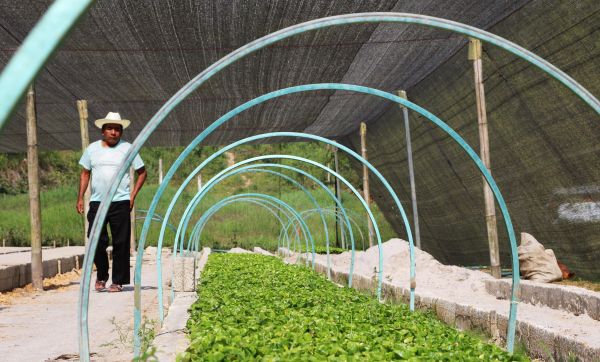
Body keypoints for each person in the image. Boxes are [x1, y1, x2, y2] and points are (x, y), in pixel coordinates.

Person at [76, 112, 147, 293]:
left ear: (121, 132)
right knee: (96, 240)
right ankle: (101, 276)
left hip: (121, 202)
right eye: (110, 129)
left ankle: (118, 281)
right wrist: (80, 197)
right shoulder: (92, 149)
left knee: (121, 242)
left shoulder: (128, 148)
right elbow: (85, 174)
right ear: (103, 131)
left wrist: (132, 196)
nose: (113, 132)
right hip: (98, 202)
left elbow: (142, 172)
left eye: (117, 129)